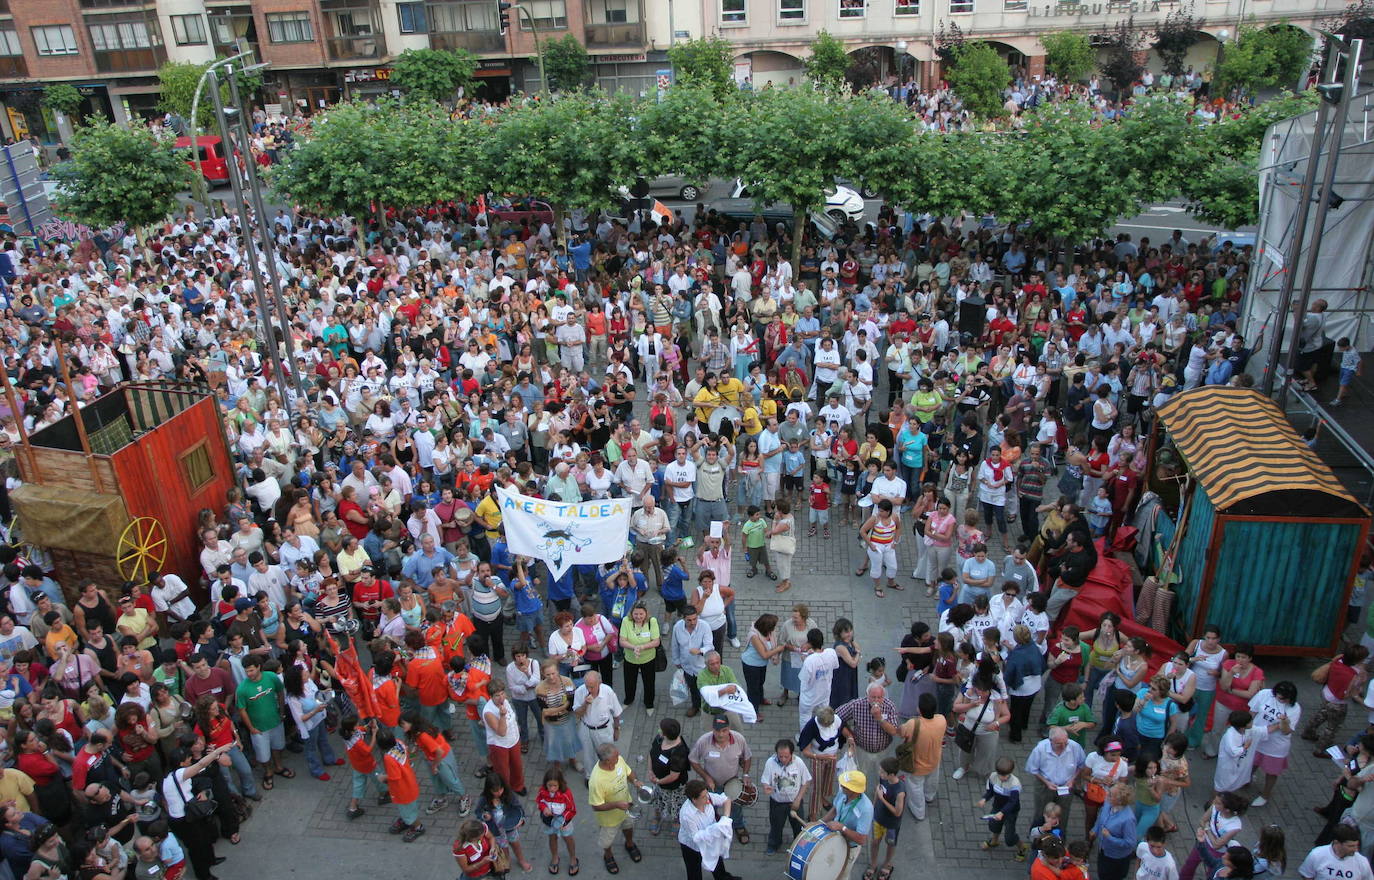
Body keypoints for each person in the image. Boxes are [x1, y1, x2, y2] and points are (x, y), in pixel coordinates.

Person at [690, 716, 754, 845]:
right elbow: (693, 760)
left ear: (729, 729)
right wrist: (706, 777)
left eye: (724, 730)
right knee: (709, 807)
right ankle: (713, 827)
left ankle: (738, 825)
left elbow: (747, 757)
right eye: (717, 731)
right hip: (711, 785)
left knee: (735, 807)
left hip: (732, 784)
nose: (720, 734)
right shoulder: (704, 741)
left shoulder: (738, 739)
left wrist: (746, 774)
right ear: (712, 729)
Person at [587, 743, 642, 875]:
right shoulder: (596, 780)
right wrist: (616, 805)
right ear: (607, 761)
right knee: (607, 841)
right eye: (616, 756)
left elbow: (628, 772)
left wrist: (635, 781)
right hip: (609, 819)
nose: (619, 757)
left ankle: (629, 844)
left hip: (627, 808)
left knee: (629, 827)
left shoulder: (618, 761)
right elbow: (596, 806)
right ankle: (608, 856)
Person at [1024, 727, 1086, 839]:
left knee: (1063, 812)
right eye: (1058, 743)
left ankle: (1059, 837)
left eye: (1065, 742)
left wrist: (1072, 780)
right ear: (1050, 740)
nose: (1063, 746)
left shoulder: (1074, 747)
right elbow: (1032, 769)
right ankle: (1038, 837)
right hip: (1044, 786)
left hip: (1066, 787)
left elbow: (1081, 765)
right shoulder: (1040, 749)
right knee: (1042, 811)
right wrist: (1046, 782)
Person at [678, 779, 743, 880]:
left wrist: (725, 819)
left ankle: (723, 878)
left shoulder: (708, 797)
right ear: (694, 800)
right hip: (692, 847)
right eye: (703, 796)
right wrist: (716, 829)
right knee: (694, 872)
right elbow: (696, 837)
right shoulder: (687, 815)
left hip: (712, 839)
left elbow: (726, 799)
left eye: (706, 793)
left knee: (718, 863)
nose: (707, 797)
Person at [759, 738, 811, 856]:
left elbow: (806, 781)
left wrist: (798, 800)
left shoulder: (799, 763)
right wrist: (766, 787)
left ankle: (799, 847)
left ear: (791, 754)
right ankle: (774, 844)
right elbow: (765, 781)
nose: (783, 759)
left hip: (795, 802)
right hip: (777, 802)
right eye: (780, 756)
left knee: (798, 827)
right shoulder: (770, 763)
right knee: (776, 826)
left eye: (786, 756)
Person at [820, 770, 873, 880]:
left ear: (853, 790)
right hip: (834, 838)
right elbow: (835, 810)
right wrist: (820, 823)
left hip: (849, 847)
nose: (841, 786)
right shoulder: (843, 792)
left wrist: (842, 828)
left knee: (840, 875)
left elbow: (862, 839)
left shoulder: (866, 809)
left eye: (845, 786)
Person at [977, 756, 1024, 857]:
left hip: (1011, 811)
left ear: (1010, 772)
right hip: (997, 807)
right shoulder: (992, 777)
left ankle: (1021, 847)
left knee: (1009, 837)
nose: (1002, 778)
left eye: (1005, 775)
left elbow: (1012, 802)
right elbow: (990, 791)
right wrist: (984, 799)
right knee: (994, 825)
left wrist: (1002, 813)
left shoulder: (1015, 784)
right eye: (1000, 775)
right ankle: (994, 841)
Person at [1091, 783, 1139, 880]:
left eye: (1110, 794)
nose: (1107, 795)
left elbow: (1130, 843)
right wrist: (1095, 829)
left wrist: (1110, 838)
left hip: (1116, 857)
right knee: (1102, 874)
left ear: (1120, 800)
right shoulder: (1108, 803)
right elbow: (1101, 817)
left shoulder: (1128, 819)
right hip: (1103, 850)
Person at [536, 767, 578, 876]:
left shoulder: (566, 793)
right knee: (552, 837)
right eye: (550, 785)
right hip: (549, 821)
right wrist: (544, 808)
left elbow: (572, 809)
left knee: (568, 839)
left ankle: (573, 858)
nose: (552, 788)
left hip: (564, 822)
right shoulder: (542, 791)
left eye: (555, 785)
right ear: (546, 784)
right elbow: (539, 801)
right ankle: (555, 857)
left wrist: (563, 821)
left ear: (560, 784)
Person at [1297, 825, 1373, 880]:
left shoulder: (1362, 861)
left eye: (1357, 845)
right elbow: (1307, 876)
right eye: (1350, 846)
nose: (1356, 850)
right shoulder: (1317, 854)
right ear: (1337, 842)